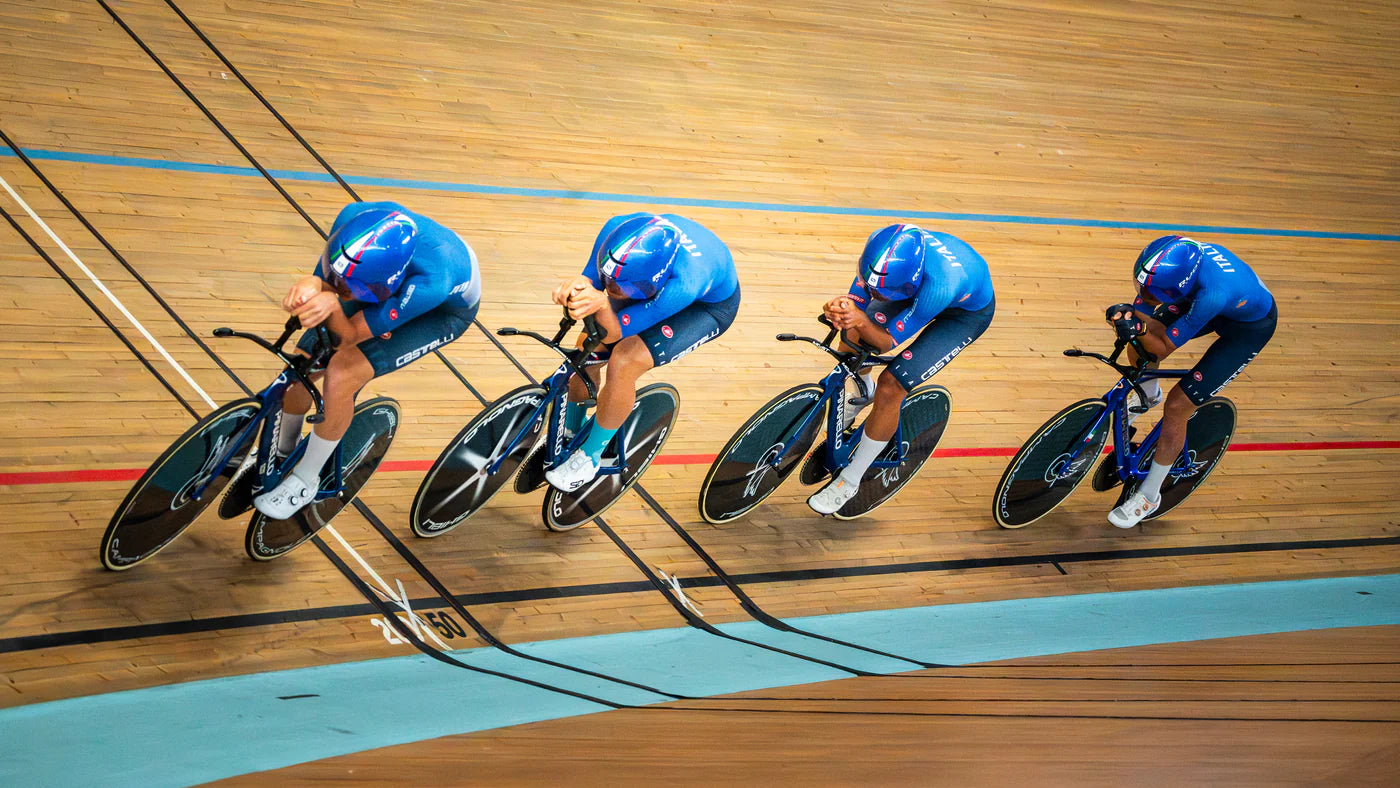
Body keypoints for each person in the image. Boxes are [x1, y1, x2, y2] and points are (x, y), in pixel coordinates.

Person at [253, 201, 481, 518]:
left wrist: (332, 305)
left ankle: (306, 480)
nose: (345, 290)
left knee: (341, 374)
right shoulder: (352, 218)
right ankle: (282, 452)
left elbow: (347, 337)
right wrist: (311, 282)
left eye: (355, 289)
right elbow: (329, 282)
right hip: (390, 274)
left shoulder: (431, 282)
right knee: (298, 370)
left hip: (439, 312)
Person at [545, 213, 740, 492]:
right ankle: (571, 430)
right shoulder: (615, 230)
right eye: (607, 279)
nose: (610, 289)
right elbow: (587, 281)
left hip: (706, 309)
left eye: (621, 287)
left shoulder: (684, 284)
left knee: (624, 359)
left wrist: (602, 304)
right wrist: (575, 289)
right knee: (586, 347)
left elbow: (615, 334)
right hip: (657, 281)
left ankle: (590, 457)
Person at [811, 224, 995, 515]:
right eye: (870, 287)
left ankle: (850, 480)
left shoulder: (941, 284)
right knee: (851, 337)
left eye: (878, 292)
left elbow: (885, 343)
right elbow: (856, 303)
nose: (872, 293)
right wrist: (841, 310)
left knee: (892, 385)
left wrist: (860, 319)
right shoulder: (879, 253)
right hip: (914, 290)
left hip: (960, 317)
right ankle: (863, 391)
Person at [1104, 235, 1277, 528]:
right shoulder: (1174, 259)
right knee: (1139, 339)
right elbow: (1143, 316)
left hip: (1247, 329)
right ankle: (1148, 393)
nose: (1143, 294)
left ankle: (1149, 496)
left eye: (1152, 291)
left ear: (1175, 288)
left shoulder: (1212, 295)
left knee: (1177, 407)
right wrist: (1131, 320)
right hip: (1214, 301)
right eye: (1141, 286)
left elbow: (1162, 346)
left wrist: (1139, 323)